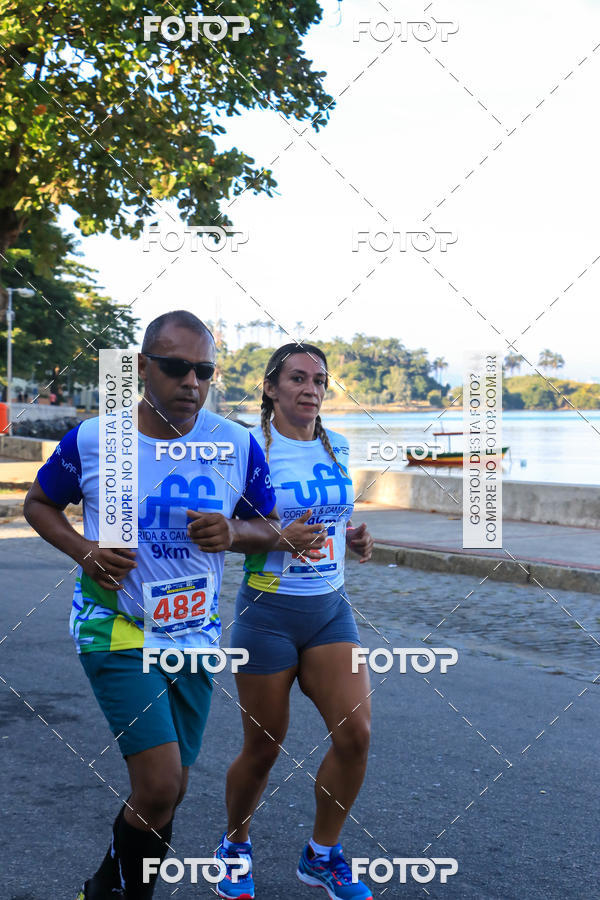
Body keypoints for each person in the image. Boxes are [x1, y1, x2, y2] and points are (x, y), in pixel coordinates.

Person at [23, 310, 280, 899]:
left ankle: (104, 887)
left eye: (204, 371)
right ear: (142, 367)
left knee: (171, 790)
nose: (192, 382)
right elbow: (39, 503)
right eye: (176, 368)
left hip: (193, 634)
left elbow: (271, 527)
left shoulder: (236, 444)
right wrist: (85, 551)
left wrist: (234, 532)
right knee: (161, 785)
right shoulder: (96, 439)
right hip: (114, 626)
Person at [214, 342, 375, 900]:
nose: (311, 389)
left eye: (320, 380)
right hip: (268, 615)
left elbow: (333, 519)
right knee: (263, 749)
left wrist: (353, 538)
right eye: (298, 379)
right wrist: (278, 538)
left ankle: (321, 856)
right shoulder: (250, 451)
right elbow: (224, 533)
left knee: (355, 735)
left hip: (330, 611)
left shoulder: (339, 446)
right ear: (271, 387)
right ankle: (234, 847)